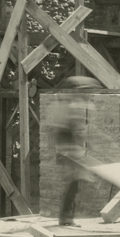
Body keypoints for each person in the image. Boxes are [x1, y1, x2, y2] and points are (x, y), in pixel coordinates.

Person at [47, 75, 96, 226]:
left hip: (69, 148)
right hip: (67, 148)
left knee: (74, 183)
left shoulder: (66, 104)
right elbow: (62, 130)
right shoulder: (65, 106)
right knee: (74, 183)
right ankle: (65, 217)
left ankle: (67, 217)